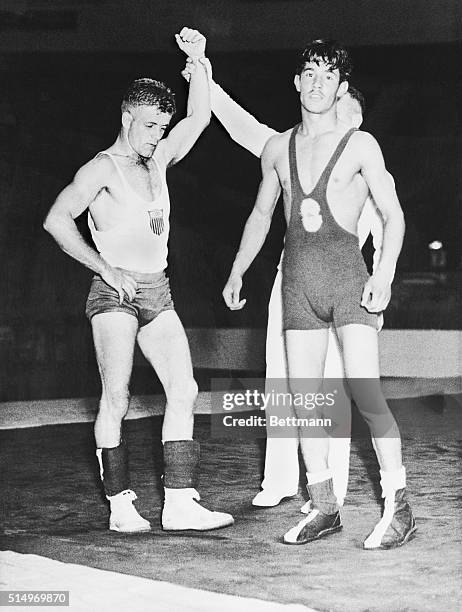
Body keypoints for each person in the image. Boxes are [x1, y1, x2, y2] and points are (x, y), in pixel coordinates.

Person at [222, 40, 416, 549]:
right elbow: (262, 215)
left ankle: (399, 505)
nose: (317, 84)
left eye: (328, 77)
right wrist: (239, 268)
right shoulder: (276, 148)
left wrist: (385, 274)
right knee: (306, 402)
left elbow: (393, 215)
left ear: (341, 87)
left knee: (366, 394)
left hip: (348, 282)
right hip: (298, 286)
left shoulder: (360, 145)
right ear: (296, 81)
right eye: (309, 74)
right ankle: (325, 504)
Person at [43, 28, 233, 534]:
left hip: (157, 290)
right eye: (149, 126)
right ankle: (121, 505)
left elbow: (199, 117)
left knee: (185, 388)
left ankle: (178, 502)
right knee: (117, 399)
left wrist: (201, 62)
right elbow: (57, 220)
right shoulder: (101, 169)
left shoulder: (161, 159)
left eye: (161, 127)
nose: (156, 135)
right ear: (128, 118)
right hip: (115, 295)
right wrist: (104, 267)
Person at [183, 59, 383, 510]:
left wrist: (379, 295)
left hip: (347, 284)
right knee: (282, 378)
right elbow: (242, 127)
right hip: (293, 279)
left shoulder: (364, 161)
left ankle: (331, 487)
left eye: (343, 105)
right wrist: (204, 76)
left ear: (355, 116)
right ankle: (279, 479)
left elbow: (386, 236)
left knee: (333, 385)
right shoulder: (290, 146)